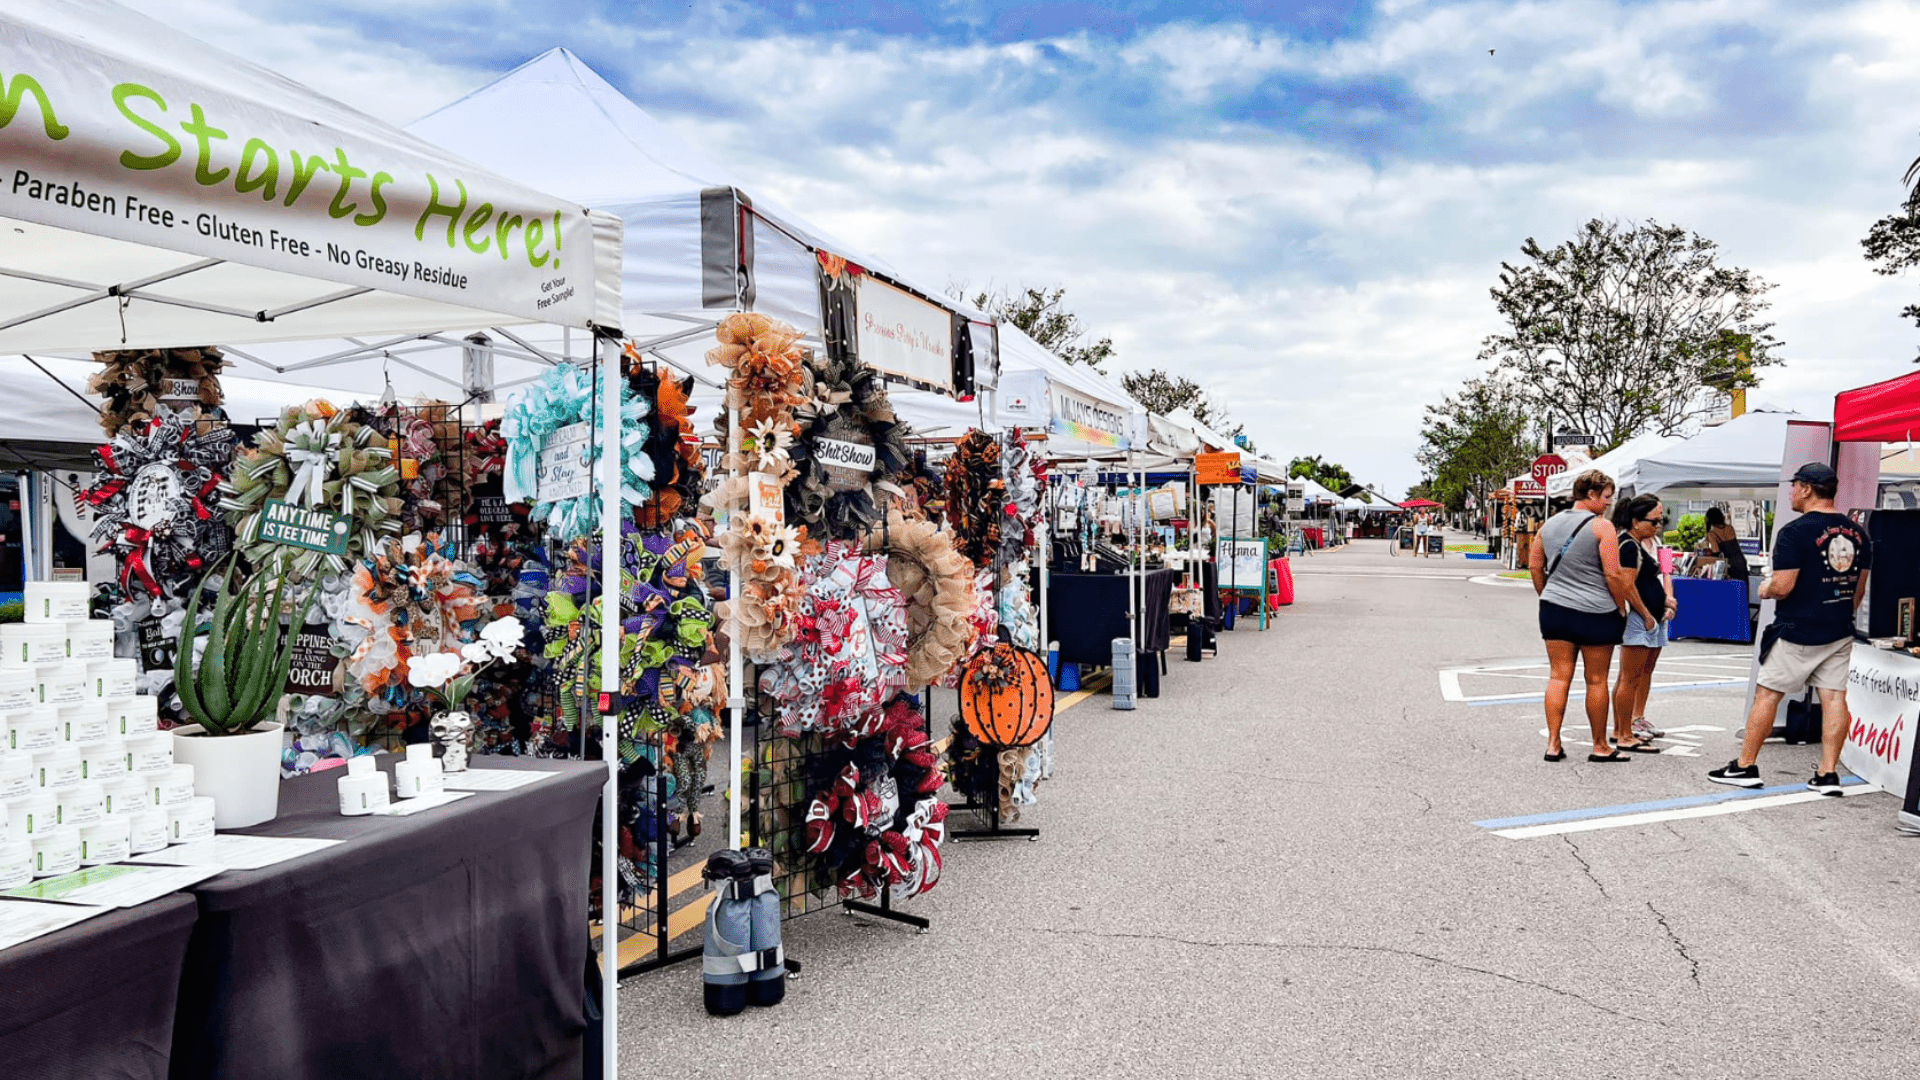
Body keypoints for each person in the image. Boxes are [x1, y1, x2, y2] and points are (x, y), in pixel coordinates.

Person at [1708, 463, 1871, 792]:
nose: (1791, 492)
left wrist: (1766, 588)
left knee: (1767, 695)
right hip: (1839, 626)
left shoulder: (1795, 532)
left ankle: (1745, 766)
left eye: (1794, 486)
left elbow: (1783, 586)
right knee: (1834, 698)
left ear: (1808, 488)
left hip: (1798, 627)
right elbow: (1859, 590)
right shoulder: (1858, 533)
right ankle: (1827, 774)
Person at [1531, 471, 1637, 763]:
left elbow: (1535, 567)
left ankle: (1553, 743)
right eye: (1606, 497)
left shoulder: (1547, 525)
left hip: (1554, 609)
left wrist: (1547, 595)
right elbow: (1613, 574)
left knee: (1558, 676)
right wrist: (1620, 606)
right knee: (1596, 680)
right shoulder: (1602, 528)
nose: (1608, 503)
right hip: (1596, 610)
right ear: (1590, 495)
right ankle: (1600, 745)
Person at [1609, 494, 1674, 752]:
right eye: (1655, 520)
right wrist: (1647, 613)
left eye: (1661, 520)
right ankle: (1625, 728)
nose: (1658, 525)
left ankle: (1637, 717)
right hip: (1641, 617)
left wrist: (1667, 599)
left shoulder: (1659, 542)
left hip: (1656, 612)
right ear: (1637, 520)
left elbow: (1666, 572)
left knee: (1644, 671)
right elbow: (1626, 583)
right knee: (1630, 676)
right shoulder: (1629, 544)